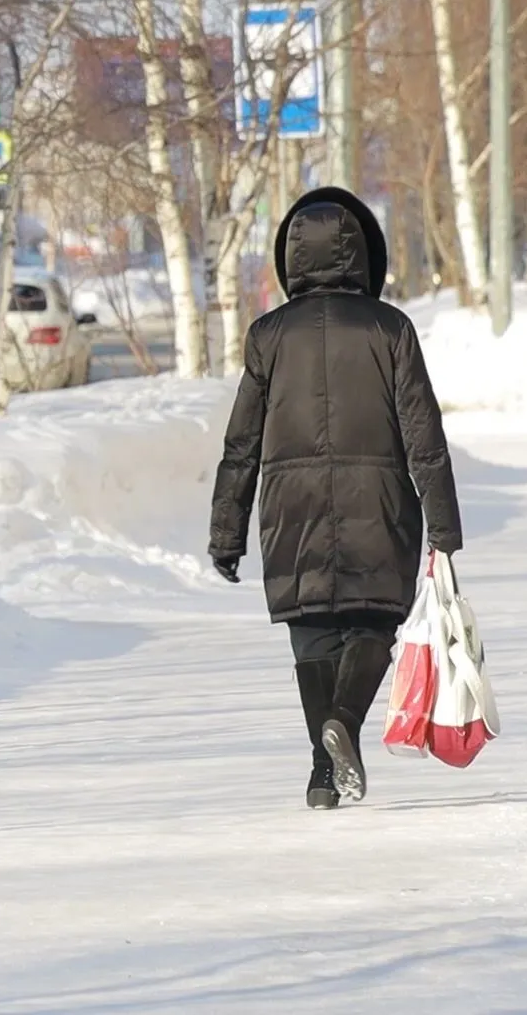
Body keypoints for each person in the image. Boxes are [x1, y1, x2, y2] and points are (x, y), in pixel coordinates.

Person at [207, 187, 462, 810]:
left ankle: (324, 775)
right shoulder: (390, 328)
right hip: (378, 505)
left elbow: (241, 443)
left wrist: (227, 531)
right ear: (362, 257)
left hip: (290, 511)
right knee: (373, 621)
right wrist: (443, 526)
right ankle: (343, 724)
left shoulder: (268, 335)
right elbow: (422, 430)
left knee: (314, 635)